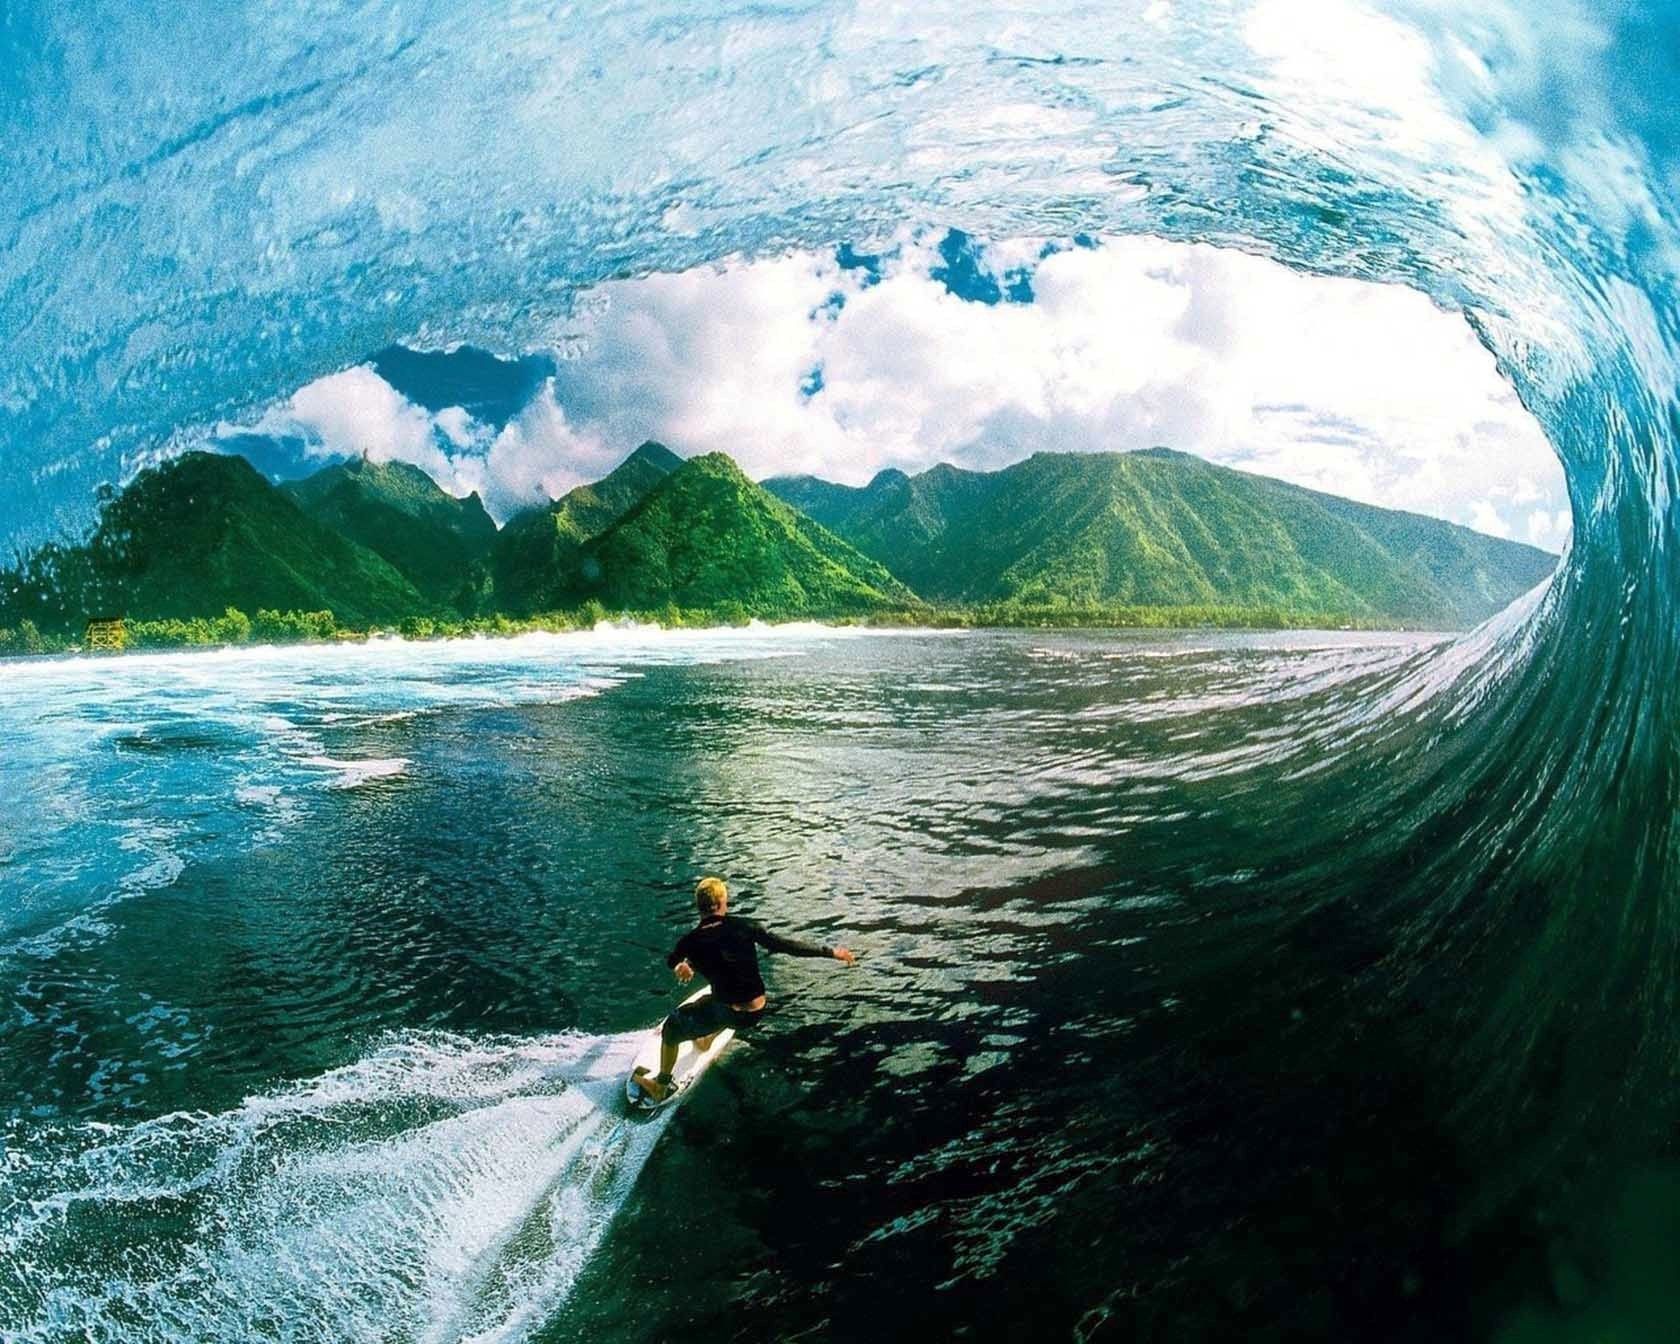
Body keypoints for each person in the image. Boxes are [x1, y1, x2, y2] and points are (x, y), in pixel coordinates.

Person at [632, 876, 856, 1103]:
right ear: (722, 902)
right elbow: (787, 946)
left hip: (725, 1011)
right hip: (756, 1011)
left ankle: (661, 1086)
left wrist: (682, 966)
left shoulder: (690, 941)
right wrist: (831, 952)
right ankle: (706, 1039)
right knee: (716, 996)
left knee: (672, 1027)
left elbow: (672, 960)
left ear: (698, 906)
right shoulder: (745, 926)